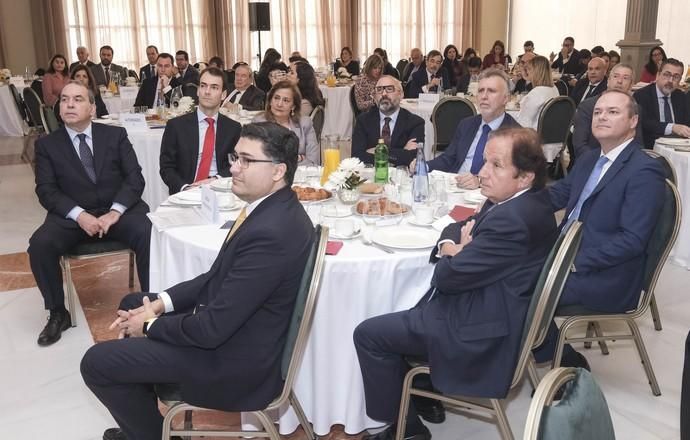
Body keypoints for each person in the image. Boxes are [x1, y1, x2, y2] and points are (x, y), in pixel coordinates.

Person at [81, 121, 314, 440]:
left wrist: (149, 325)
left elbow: (211, 329)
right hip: (233, 336)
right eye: (235, 157)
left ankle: (149, 433)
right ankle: (147, 428)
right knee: (133, 303)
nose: (234, 167)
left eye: (247, 160)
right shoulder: (270, 209)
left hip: (233, 364)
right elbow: (214, 277)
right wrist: (161, 302)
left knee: (97, 363)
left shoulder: (271, 233)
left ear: (278, 171)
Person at [354, 127, 557, 440]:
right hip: (493, 300)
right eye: (485, 162)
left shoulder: (511, 220)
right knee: (401, 304)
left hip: (478, 325)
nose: (481, 172)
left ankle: (406, 431)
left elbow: (446, 278)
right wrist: (455, 246)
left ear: (526, 175)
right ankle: (418, 391)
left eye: (496, 165)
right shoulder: (523, 201)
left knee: (369, 334)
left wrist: (451, 251)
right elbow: (460, 225)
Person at [534, 90, 665, 369]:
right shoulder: (590, 158)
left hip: (606, 274)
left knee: (519, 287)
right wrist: (512, 199)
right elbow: (557, 196)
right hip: (565, 254)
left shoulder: (644, 171)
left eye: (613, 112)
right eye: (597, 112)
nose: (602, 116)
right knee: (503, 268)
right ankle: (527, 350)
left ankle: (566, 361)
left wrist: (573, 262)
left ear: (633, 121)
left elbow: (632, 241)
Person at [28, 81, 151, 347]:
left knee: (149, 230)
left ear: (92, 108)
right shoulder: (47, 145)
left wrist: (115, 212)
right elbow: (46, 190)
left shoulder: (115, 136)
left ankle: (150, 305)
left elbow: (135, 179)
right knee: (40, 245)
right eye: (64, 99)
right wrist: (79, 215)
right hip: (73, 216)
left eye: (78, 99)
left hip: (116, 212)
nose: (70, 104)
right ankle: (58, 312)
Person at [421, 69, 520, 189]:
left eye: (491, 91)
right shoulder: (467, 124)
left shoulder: (515, 134)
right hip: (455, 186)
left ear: (506, 98)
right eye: (481, 90)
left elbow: (514, 177)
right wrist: (423, 166)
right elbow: (448, 158)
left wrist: (479, 181)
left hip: (488, 195)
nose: (484, 96)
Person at [160, 67, 242, 194]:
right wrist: (186, 188)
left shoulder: (233, 128)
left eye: (214, 87)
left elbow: (236, 163)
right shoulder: (176, 126)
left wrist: (216, 180)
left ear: (223, 95)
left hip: (221, 190)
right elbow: (167, 167)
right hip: (185, 191)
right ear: (198, 90)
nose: (207, 92)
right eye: (203, 86)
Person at [352, 75, 424, 167]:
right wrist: (402, 152)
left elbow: (413, 157)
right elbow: (357, 157)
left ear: (401, 94)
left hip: (401, 178)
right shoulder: (363, 121)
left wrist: (376, 151)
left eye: (389, 89)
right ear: (374, 96)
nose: (384, 94)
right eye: (379, 90)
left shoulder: (415, 123)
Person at [572, 64, 642, 158]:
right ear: (608, 81)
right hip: (592, 160)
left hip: (624, 163)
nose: (619, 81)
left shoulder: (635, 108)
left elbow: (638, 143)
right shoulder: (588, 106)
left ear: (631, 84)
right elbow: (580, 145)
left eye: (625, 78)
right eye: (615, 76)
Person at [253, 80, 319, 166]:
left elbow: (313, 162)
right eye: (276, 98)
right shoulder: (259, 123)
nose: (279, 104)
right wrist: (299, 158)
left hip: (300, 176)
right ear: (270, 101)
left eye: (286, 100)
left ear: (293, 106)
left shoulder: (305, 124)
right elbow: (255, 160)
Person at [634, 58, 690, 148]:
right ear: (658, 75)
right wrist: (672, 127)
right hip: (651, 147)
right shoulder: (642, 95)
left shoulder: (681, 96)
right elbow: (645, 123)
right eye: (667, 75)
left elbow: (687, 121)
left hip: (680, 145)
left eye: (676, 77)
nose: (670, 81)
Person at [516, 55, 559, 129]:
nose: (527, 71)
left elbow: (523, 122)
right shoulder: (554, 88)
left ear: (536, 72)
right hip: (551, 133)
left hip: (533, 135)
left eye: (529, 69)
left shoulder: (536, 93)